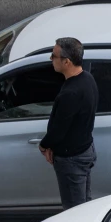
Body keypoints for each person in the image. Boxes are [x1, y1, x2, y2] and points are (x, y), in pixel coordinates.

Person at [39, 37, 99, 209]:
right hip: (85, 149)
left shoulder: (70, 93)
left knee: (74, 211)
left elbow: (59, 130)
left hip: (72, 158)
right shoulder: (88, 79)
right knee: (83, 205)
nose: (51, 59)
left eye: (54, 55)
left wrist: (44, 146)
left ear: (66, 62)